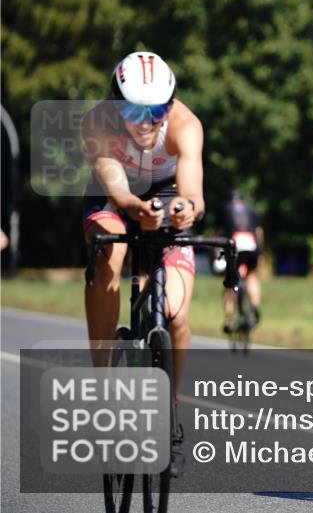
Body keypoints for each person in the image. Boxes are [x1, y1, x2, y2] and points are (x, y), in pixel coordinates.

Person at [81, 51, 205, 476]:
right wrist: (136, 209)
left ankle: (170, 410)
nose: (147, 121)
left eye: (158, 110)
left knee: (176, 313)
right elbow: (117, 190)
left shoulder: (185, 124)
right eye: (135, 111)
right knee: (109, 254)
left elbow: (193, 192)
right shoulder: (97, 121)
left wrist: (186, 210)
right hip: (112, 195)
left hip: (166, 193)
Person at [220, 188, 264, 332]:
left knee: (230, 282)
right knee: (251, 276)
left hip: (235, 246)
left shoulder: (225, 209)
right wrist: (260, 252)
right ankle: (255, 308)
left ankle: (229, 318)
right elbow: (259, 232)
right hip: (252, 246)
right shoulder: (251, 209)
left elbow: (218, 233)